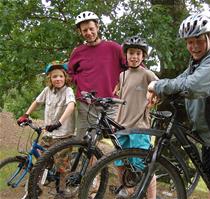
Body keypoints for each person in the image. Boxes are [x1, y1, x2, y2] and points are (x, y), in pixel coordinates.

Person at [147, 13, 210, 199]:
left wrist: (156, 85)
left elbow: (193, 86)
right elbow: (181, 79)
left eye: (198, 41)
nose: (193, 47)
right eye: (189, 42)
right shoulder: (198, 62)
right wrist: (158, 91)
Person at [17, 61, 76, 199]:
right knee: (41, 161)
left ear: (65, 77)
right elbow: (37, 102)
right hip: (49, 133)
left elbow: (71, 105)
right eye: (54, 76)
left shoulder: (68, 90)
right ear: (50, 78)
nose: (58, 79)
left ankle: (62, 190)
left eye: (61, 76)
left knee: (62, 165)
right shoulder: (47, 91)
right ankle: (36, 187)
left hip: (63, 135)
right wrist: (26, 115)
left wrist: (59, 122)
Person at [68, 11, 125, 139]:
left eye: (91, 29)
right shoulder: (78, 51)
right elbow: (70, 73)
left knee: (120, 142)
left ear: (97, 27)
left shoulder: (113, 47)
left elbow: (133, 67)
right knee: (85, 144)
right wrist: (81, 82)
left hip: (110, 103)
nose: (88, 33)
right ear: (80, 32)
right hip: (86, 104)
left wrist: (121, 82)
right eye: (84, 30)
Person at [114, 36, 158, 199]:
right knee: (119, 162)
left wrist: (153, 94)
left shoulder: (147, 74)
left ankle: (151, 196)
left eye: (138, 53)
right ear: (126, 55)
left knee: (143, 164)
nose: (134, 56)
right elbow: (121, 99)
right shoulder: (122, 75)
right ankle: (127, 191)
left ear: (143, 56)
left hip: (140, 127)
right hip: (121, 126)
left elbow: (160, 88)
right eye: (131, 53)